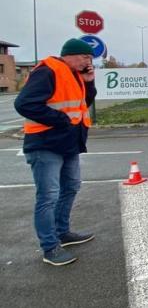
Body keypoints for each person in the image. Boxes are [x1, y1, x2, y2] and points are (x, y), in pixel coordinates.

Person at [14, 38, 97, 266]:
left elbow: (82, 103)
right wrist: (60, 120)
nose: (88, 62)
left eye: (90, 58)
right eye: (85, 57)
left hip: (68, 144)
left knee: (70, 187)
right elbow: (24, 104)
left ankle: (63, 233)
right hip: (45, 144)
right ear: (70, 54)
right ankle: (50, 248)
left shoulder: (74, 74)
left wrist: (89, 83)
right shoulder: (48, 70)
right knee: (48, 197)